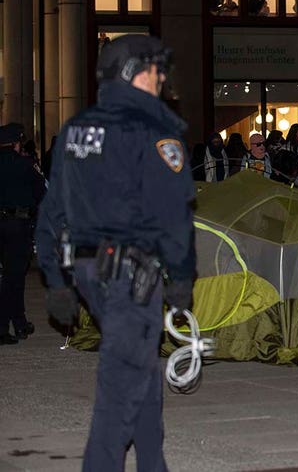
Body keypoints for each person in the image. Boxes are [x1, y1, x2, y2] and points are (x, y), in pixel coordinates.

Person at [35, 35, 194, 471]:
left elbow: (52, 208)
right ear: (134, 73)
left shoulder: (75, 129)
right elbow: (174, 214)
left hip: (88, 271)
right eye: (154, 71)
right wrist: (181, 277)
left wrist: (54, 279)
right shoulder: (151, 130)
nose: (160, 80)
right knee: (120, 388)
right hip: (131, 277)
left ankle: (152, 463)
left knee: (141, 370)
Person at [0, 123, 45, 344]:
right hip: (18, 225)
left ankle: (18, 322)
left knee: (6, 276)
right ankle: (9, 325)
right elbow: (42, 193)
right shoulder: (26, 165)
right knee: (14, 277)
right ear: (17, 144)